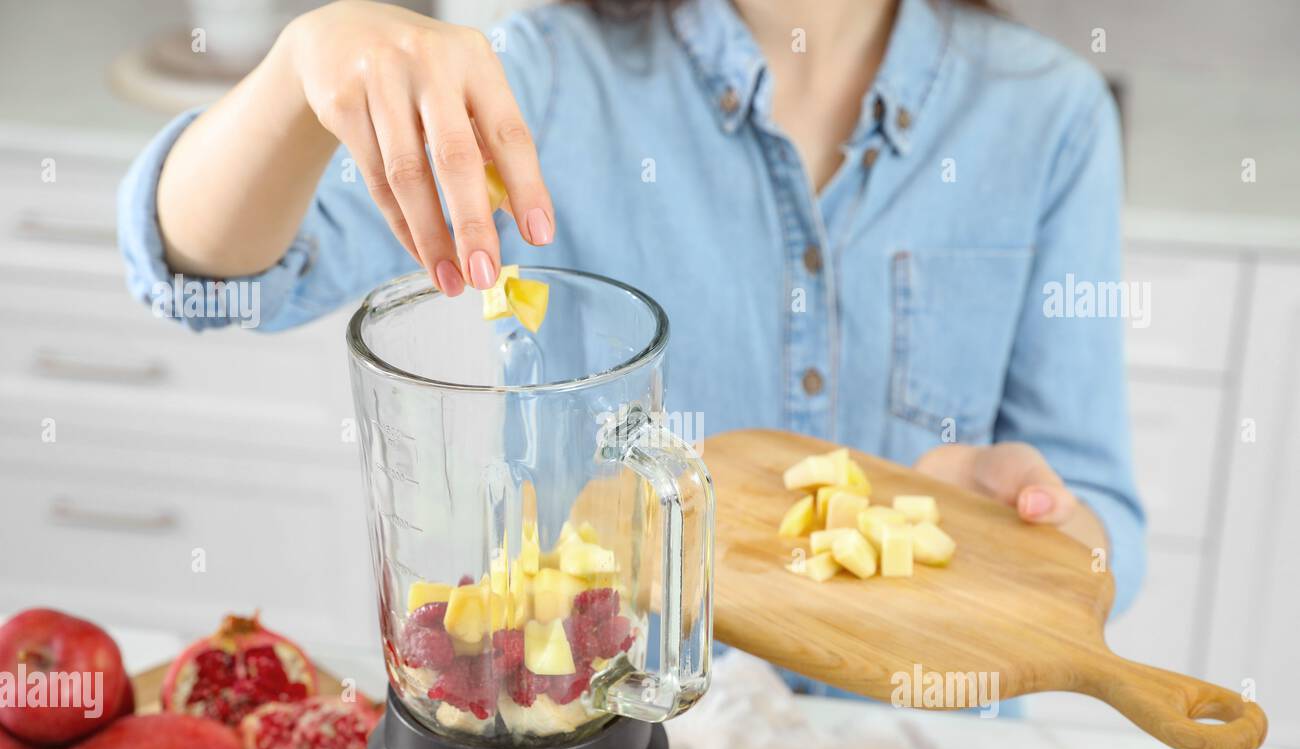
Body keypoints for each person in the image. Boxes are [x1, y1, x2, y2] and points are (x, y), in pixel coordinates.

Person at [119, 0, 1145, 694]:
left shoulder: (1049, 114)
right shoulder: (539, 64)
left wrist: (1024, 526)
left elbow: (1106, 529)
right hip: (601, 728)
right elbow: (207, 279)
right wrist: (303, 67)